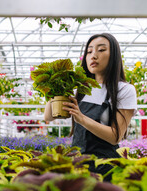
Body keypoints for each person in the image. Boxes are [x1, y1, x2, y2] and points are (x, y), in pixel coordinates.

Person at [44, 33, 137, 178]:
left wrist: (81, 118)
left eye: (101, 50)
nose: (93, 56)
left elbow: (115, 136)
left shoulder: (124, 90)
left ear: (114, 56)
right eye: (89, 51)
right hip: (78, 163)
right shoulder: (79, 87)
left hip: (106, 166)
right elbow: (48, 117)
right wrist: (55, 87)